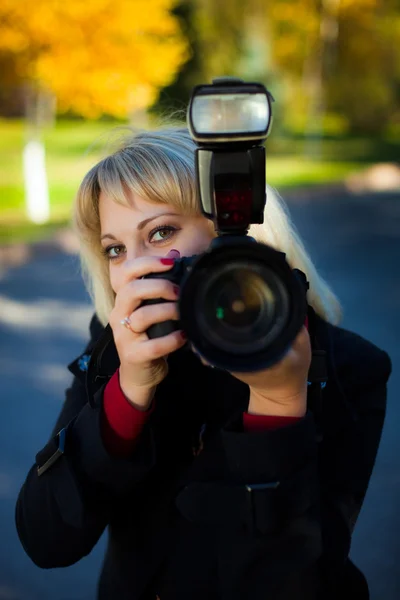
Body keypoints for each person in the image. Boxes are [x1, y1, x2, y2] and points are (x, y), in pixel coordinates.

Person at [16, 127, 391, 600]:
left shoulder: (344, 366)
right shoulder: (116, 346)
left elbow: (291, 585)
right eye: (116, 249)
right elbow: (47, 539)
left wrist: (278, 402)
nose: (135, 269)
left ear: (236, 235)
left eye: (161, 232)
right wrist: (128, 393)